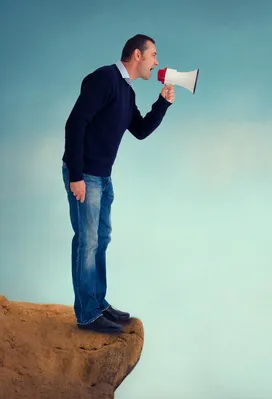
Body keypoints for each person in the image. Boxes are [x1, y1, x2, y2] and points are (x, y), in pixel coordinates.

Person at [61, 34, 175, 333]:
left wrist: (162, 105)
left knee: (101, 240)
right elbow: (75, 124)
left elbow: (139, 130)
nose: (157, 61)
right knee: (87, 243)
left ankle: (97, 303)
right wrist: (75, 175)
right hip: (85, 175)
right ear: (137, 55)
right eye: (153, 55)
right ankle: (87, 314)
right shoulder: (104, 79)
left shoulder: (127, 92)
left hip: (102, 177)